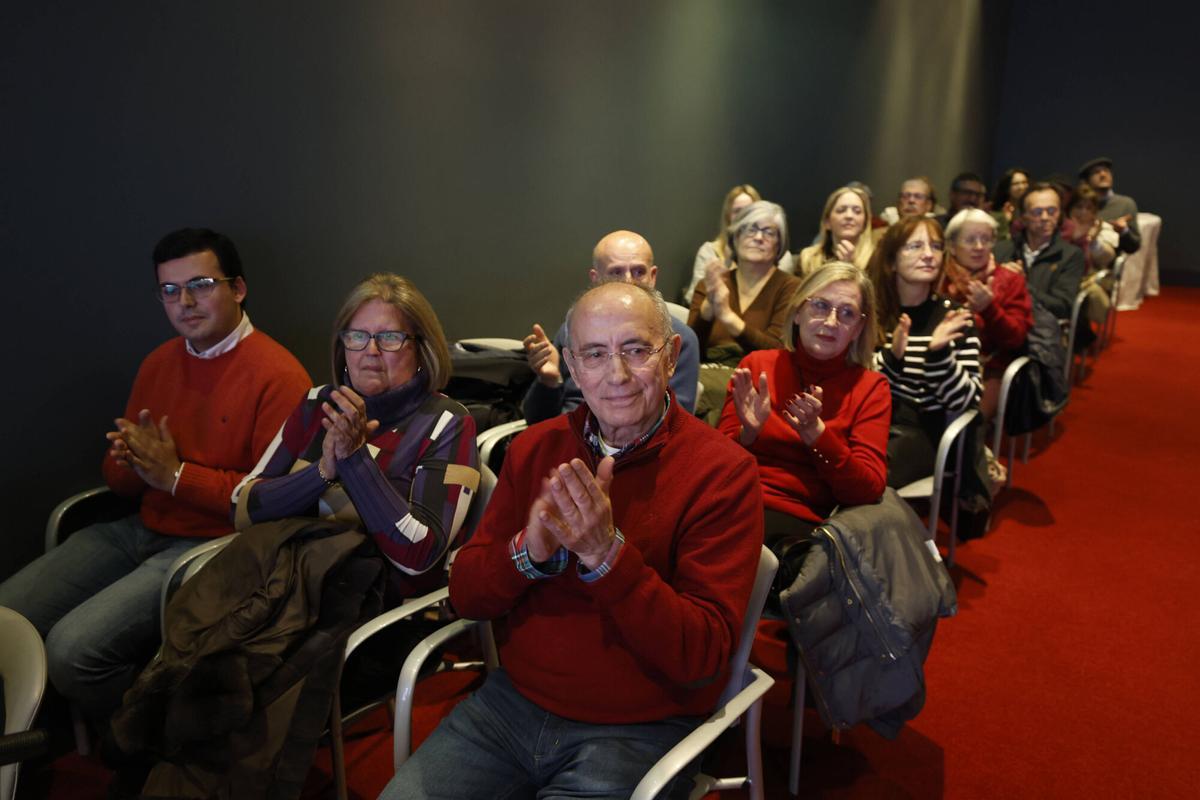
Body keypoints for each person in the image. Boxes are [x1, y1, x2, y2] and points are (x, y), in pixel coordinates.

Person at [380, 282, 764, 800]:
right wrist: (528, 552)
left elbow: (702, 657)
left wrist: (606, 556)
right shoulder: (535, 448)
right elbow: (468, 595)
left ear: (671, 357)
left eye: (635, 350)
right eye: (596, 354)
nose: (617, 375)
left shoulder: (723, 473)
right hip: (511, 708)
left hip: (637, 727)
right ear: (572, 366)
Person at [0, 228, 311, 725]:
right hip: (140, 527)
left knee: (71, 653)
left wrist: (175, 475)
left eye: (201, 285)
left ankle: (155, 736)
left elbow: (269, 502)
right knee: (6, 615)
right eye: (170, 290)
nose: (184, 302)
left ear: (238, 289)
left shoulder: (279, 375)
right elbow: (125, 487)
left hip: (212, 546)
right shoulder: (159, 363)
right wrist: (129, 460)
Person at [232, 273, 479, 599]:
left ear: (422, 347)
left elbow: (419, 555)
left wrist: (355, 460)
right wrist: (323, 472)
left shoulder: (446, 422)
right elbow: (243, 508)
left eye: (390, 337)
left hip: (372, 607)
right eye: (357, 336)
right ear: (342, 345)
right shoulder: (316, 403)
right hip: (285, 587)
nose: (371, 350)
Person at [718, 262, 889, 573]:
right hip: (736, 499)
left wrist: (817, 436)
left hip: (798, 522)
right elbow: (716, 464)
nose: (832, 321)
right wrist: (748, 434)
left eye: (847, 313)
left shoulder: (870, 388)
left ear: (859, 329)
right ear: (797, 312)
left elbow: (868, 489)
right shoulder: (758, 365)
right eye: (820, 306)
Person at [868, 218, 990, 521]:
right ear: (893, 260)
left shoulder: (955, 318)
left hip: (922, 432)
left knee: (861, 475)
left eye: (935, 246)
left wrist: (937, 357)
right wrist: (893, 358)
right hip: (869, 422)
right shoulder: (871, 314)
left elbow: (966, 402)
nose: (929, 254)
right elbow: (859, 383)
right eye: (915, 245)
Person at [522, 230, 700, 421]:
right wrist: (549, 382)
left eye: (639, 272)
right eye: (616, 273)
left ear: (653, 276)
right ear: (595, 279)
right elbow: (535, 420)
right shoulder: (573, 330)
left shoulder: (679, 338)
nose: (629, 282)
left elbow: (677, 424)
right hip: (569, 438)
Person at [689, 200, 802, 424]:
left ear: (779, 245)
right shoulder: (710, 283)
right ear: (736, 236)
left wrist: (729, 318)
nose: (758, 237)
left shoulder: (790, 287)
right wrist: (710, 309)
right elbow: (689, 350)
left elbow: (779, 351)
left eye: (768, 232)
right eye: (751, 228)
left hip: (758, 377)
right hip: (706, 371)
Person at [940, 209, 1033, 421]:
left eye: (986, 239)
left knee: (966, 419)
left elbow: (1016, 338)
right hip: (940, 359)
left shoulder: (1010, 279)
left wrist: (989, 309)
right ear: (952, 246)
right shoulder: (937, 277)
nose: (979, 247)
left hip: (989, 367)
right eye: (970, 240)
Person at [993, 182, 1085, 320]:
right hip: (1002, 322)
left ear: (1060, 214)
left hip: (1043, 330)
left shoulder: (1070, 255)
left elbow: (1063, 307)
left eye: (1052, 211)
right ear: (1023, 217)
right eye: (1037, 212)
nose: (1045, 218)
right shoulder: (1001, 249)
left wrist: (1021, 284)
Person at [681, 183, 759, 304]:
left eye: (749, 211)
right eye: (737, 211)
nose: (743, 217)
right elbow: (693, 300)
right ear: (728, 217)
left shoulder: (777, 257)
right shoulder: (709, 252)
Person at [1061, 185, 1120, 329]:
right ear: (1070, 208)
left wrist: (1092, 241)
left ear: (1095, 212)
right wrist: (1072, 236)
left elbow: (1107, 258)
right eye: (1079, 207)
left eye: (1089, 208)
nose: (1083, 212)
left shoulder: (1102, 228)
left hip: (1088, 277)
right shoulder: (1060, 226)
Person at [797, 186, 876, 274]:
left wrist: (850, 268)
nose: (849, 216)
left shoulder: (877, 259)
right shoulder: (807, 259)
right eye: (841, 210)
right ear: (827, 222)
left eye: (857, 211)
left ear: (865, 224)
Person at [1078, 156, 1141, 254]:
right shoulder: (1081, 205)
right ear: (1087, 180)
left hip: (1105, 261)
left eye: (1106, 171)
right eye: (1096, 172)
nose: (1103, 174)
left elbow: (1134, 247)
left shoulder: (1125, 203)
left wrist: (1123, 231)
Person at [990, 167, 1030, 240]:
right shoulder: (997, 212)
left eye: (1024, 182)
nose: (1021, 187)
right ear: (1007, 188)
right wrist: (1005, 221)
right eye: (1016, 184)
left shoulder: (1033, 208)